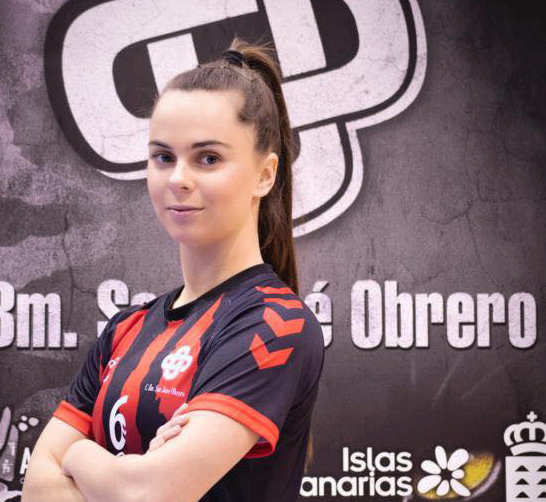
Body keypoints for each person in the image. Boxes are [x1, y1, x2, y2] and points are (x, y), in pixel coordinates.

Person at [22, 36, 325, 502]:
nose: (178, 179)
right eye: (163, 157)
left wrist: (79, 456)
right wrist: (128, 475)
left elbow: (146, 496)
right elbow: (37, 490)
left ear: (265, 174)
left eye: (208, 158)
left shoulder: (274, 325)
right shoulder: (126, 329)